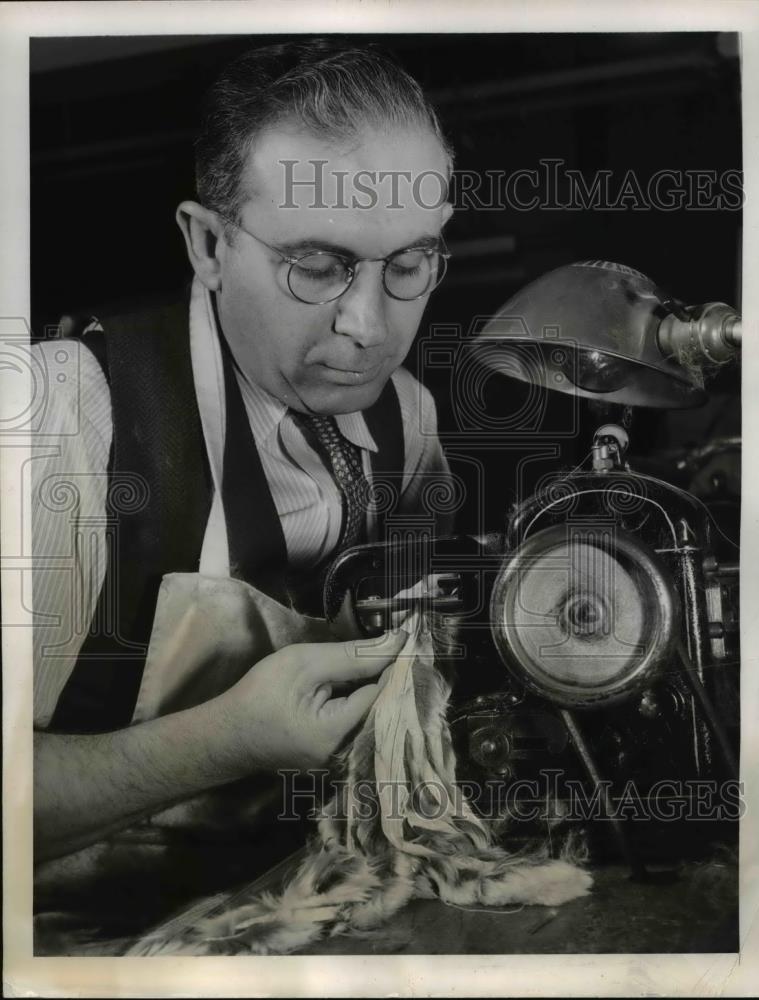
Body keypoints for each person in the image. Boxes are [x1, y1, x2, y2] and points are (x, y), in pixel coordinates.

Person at [32, 41, 455, 865]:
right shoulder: (62, 415)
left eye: (408, 264)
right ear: (209, 246)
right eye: (319, 265)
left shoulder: (409, 418)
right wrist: (224, 741)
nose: (369, 327)